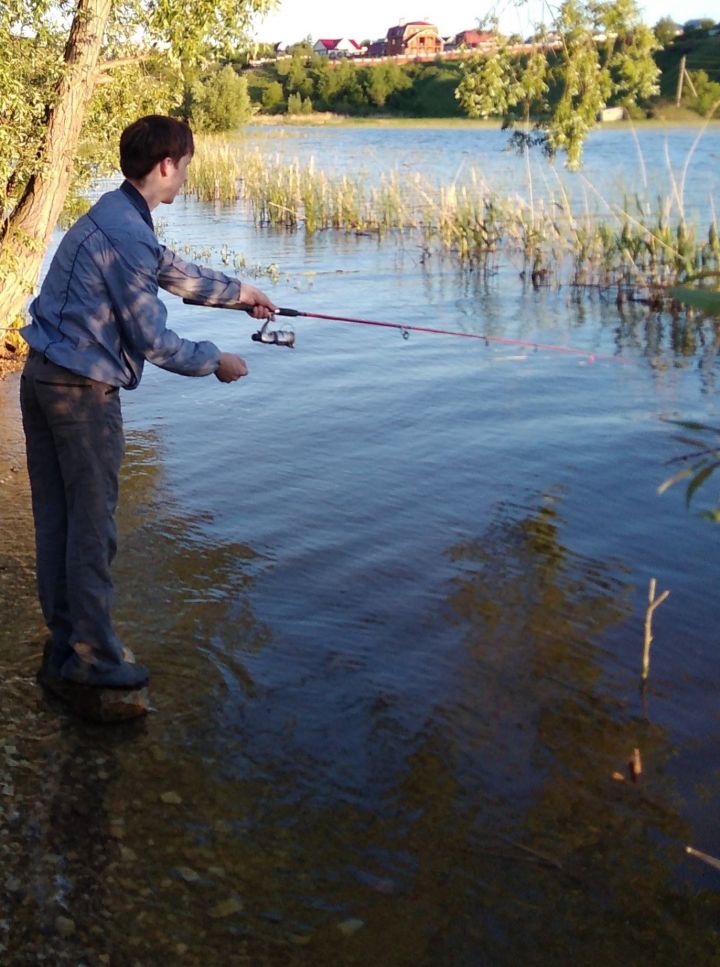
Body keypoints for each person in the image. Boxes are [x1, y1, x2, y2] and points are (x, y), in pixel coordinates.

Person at [20, 114, 277, 691]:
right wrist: (218, 360)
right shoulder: (128, 232)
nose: (184, 179)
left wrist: (243, 295)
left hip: (40, 382)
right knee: (90, 530)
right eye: (184, 167)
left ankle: (63, 652)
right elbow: (154, 341)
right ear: (166, 165)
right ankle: (96, 662)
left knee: (56, 523)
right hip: (80, 398)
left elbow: (170, 271)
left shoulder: (112, 213)